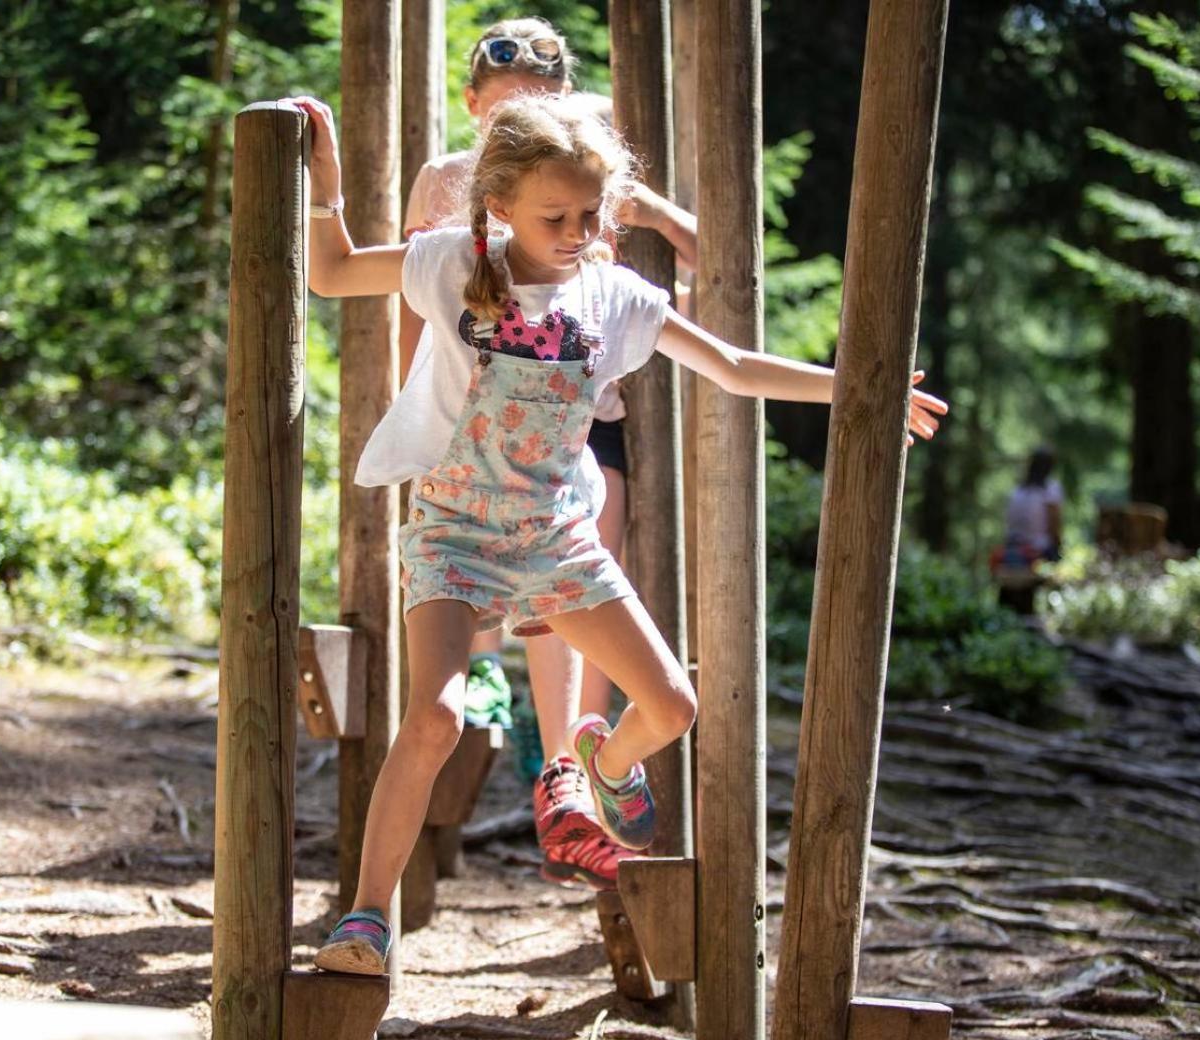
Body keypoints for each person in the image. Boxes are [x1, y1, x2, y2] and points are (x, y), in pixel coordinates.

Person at [281, 91, 946, 974]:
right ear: (499, 205)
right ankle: (365, 917)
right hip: (456, 531)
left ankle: (602, 761)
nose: (575, 230)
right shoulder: (449, 263)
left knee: (671, 706)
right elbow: (330, 273)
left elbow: (734, 367)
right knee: (435, 718)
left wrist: (858, 383)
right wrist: (324, 182)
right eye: (554, 215)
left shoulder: (616, 296)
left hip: (558, 539)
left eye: (590, 215)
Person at [400, 16, 699, 895]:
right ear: (471, 107)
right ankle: (505, 697)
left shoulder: (584, 165)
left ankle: (572, 761)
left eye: (540, 99)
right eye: (502, 107)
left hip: (580, 409)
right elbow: (405, 295)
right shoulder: (451, 183)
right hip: (478, 412)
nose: (520, 116)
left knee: (579, 557)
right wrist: (408, 414)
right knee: (490, 567)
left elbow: (701, 245)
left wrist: (659, 243)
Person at [1001, 447, 1064, 566]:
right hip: (1039, 550)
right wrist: (1059, 547)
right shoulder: (1051, 488)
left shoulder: (1017, 491)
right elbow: (1054, 524)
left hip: (1012, 548)